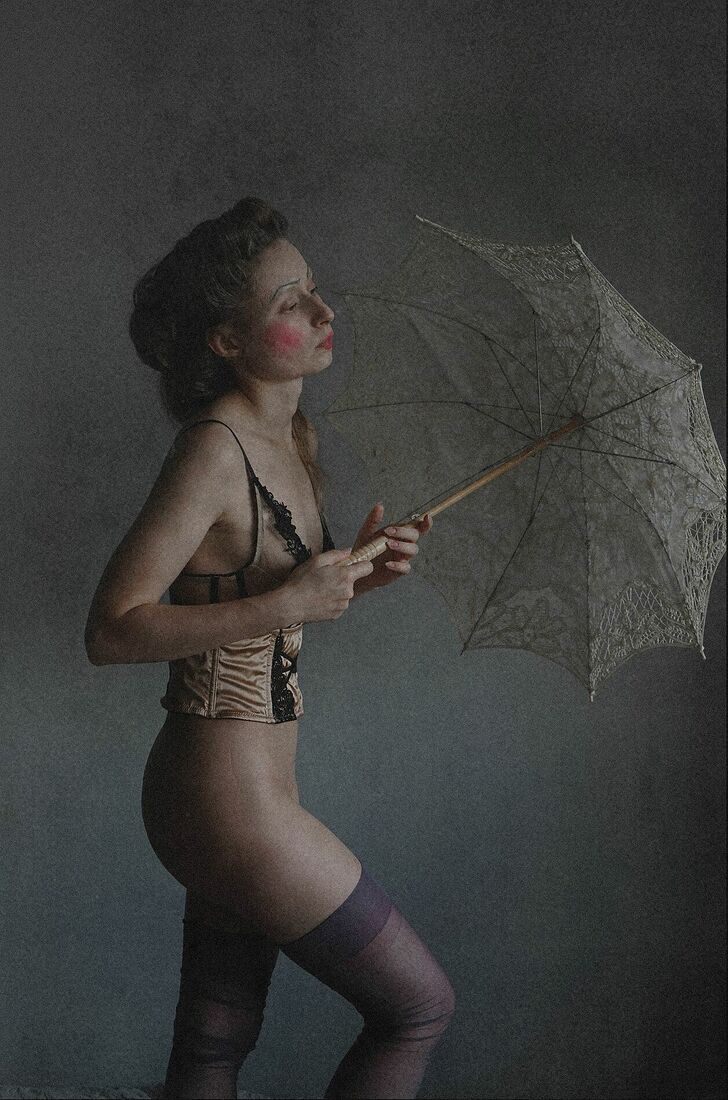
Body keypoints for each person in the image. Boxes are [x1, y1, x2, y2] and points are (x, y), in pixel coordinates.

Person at [84, 196, 455, 1100]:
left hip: (238, 795)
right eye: (292, 303)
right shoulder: (214, 451)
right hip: (226, 802)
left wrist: (358, 576)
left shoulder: (291, 436)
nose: (325, 312)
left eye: (314, 289)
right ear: (226, 340)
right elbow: (113, 628)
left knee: (216, 1042)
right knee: (416, 1008)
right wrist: (290, 598)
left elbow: (256, 604)